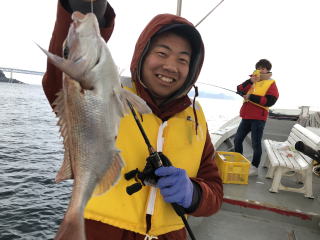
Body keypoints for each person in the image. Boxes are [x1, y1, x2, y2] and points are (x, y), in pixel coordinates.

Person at [42, 0, 223, 239]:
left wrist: (194, 194)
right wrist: (86, 8)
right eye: (162, 53)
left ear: (192, 68)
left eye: (182, 59)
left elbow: (215, 190)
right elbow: (63, 76)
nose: (170, 66)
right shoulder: (110, 93)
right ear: (142, 56)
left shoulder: (196, 117)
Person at [234, 59, 279, 176]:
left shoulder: (271, 83)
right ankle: (239, 162)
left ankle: (254, 167)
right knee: (237, 139)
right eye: (259, 68)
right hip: (246, 116)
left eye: (263, 68)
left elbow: (270, 101)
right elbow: (239, 89)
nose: (260, 70)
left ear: (268, 70)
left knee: (255, 143)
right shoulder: (252, 80)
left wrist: (251, 97)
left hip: (259, 118)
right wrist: (249, 81)